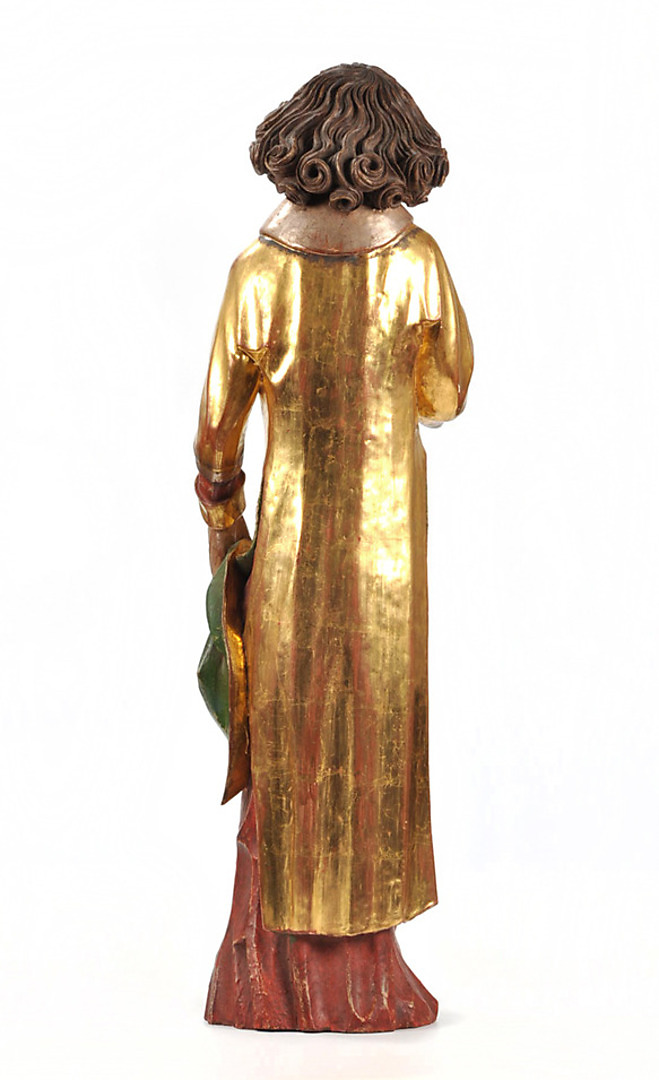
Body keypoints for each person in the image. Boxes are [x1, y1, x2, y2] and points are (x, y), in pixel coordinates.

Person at [194, 63, 473, 1032]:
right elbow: (444, 396)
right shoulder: (418, 263)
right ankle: (358, 973)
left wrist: (223, 522)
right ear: (400, 151)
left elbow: (213, 437)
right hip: (388, 561)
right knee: (376, 732)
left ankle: (272, 972)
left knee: (290, 729)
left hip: (287, 553)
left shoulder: (257, 271)